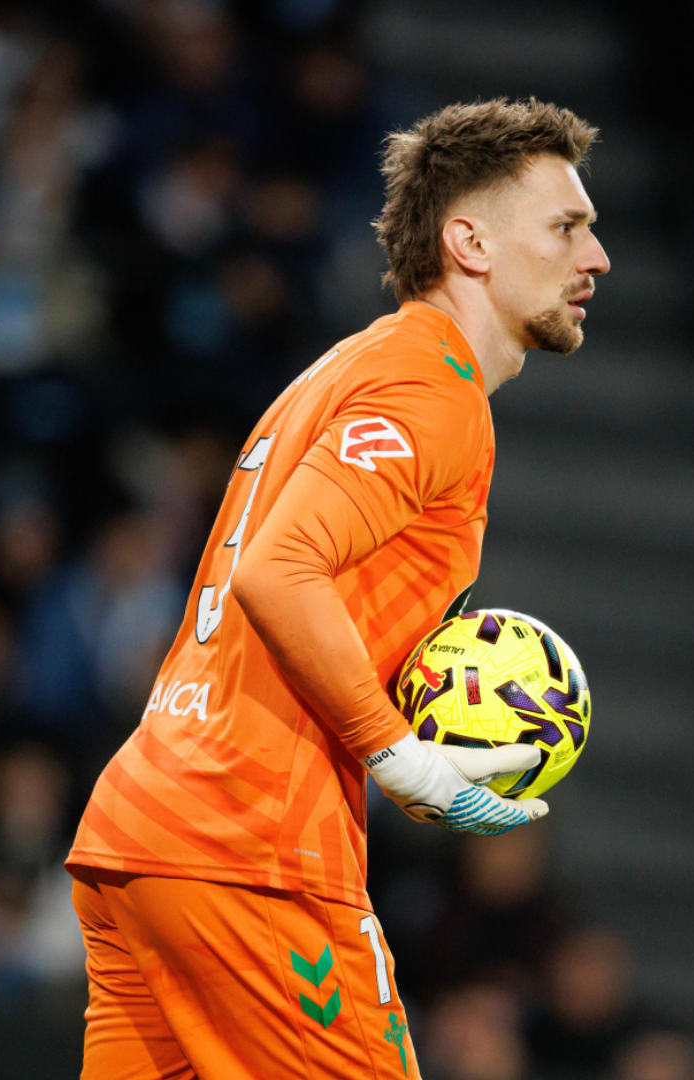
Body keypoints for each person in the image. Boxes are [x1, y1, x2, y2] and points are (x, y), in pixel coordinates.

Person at [66, 98, 610, 1079]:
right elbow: (280, 571)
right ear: (471, 241)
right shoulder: (431, 391)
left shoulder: (344, 369)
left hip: (146, 828)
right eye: (568, 226)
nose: (597, 256)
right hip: (250, 851)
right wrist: (397, 754)